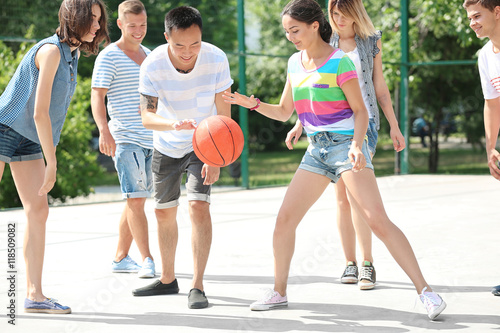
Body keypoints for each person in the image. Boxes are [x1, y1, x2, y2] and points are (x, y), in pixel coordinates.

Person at [223, 0, 446, 320]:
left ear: (315, 25)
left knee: (377, 220)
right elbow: (286, 111)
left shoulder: (340, 62)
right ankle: (279, 292)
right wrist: (252, 103)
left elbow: (360, 111)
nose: (291, 37)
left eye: (295, 30)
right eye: (286, 32)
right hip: (316, 150)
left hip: (345, 147)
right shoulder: (294, 62)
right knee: (284, 220)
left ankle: (427, 293)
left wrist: (357, 145)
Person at [285, 0, 405, 290]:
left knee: (356, 199)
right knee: (340, 198)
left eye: (343, 13)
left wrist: (395, 125)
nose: (337, 18)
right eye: (333, 13)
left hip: (362, 128)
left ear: (355, 13)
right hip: (328, 129)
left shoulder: (371, 41)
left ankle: (367, 263)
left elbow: (380, 87)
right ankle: (349, 262)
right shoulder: (326, 40)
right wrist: (300, 123)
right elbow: (312, 87)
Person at [0, 0, 109, 314]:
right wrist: (52, 162)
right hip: (5, 127)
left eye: (99, 19)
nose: (96, 26)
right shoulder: (50, 51)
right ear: (72, 18)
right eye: (90, 18)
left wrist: (49, 155)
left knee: (38, 211)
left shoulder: (72, 54)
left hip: (28, 138)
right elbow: (40, 113)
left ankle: (35, 294)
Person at [131, 6, 233, 309]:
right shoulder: (151, 65)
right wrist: (172, 124)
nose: (188, 52)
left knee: (198, 206)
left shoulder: (216, 58)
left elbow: (223, 114)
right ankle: (167, 279)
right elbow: (147, 117)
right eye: (179, 45)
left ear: (202, 37)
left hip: (204, 142)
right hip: (166, 143)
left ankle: (197, 285)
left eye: (195, 44)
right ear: (166, 38)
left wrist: (215, 157)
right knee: (163, 212)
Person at [91, 0, 155, 279]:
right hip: (125, 138)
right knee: (137, 200)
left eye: (142, 25)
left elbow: (155, 101)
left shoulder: (151, 56)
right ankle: (148, 260)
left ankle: (120, 258)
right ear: (120, 24)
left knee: (135, 200)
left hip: (153, 139)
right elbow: (97, 96)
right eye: (132, 26)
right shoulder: (108, 56)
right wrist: (104, 131)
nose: (138, 30)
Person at [463, 0, 500, 297]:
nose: (472, 22)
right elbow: (492, 103)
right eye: (470, 17)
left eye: (477, 16)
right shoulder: (486, 55)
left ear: (497, 12)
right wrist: (491, 148)